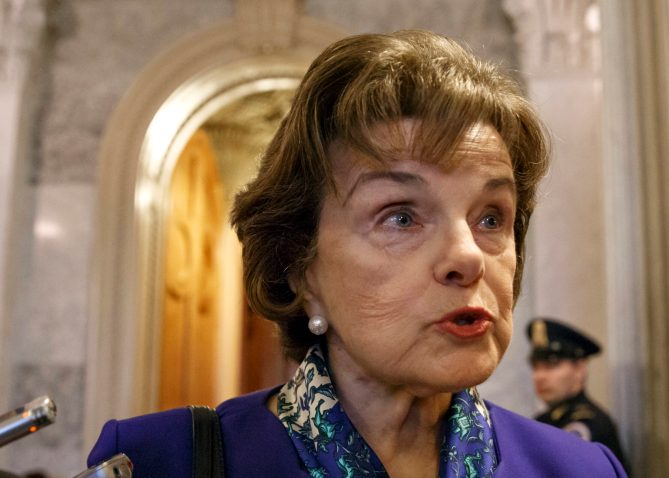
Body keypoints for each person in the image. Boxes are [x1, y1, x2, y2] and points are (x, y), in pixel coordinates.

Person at [86, 30, 627, 477]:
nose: (468, 256)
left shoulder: (582, 468)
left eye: (491, 218)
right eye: (401, 216)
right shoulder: (155, 462)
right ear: (300, 267)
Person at [526, 317, 629, 473]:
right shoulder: (546, 420)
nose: (539, 376)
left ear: (580, 369)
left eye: (551, 365)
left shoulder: (589, 424)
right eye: (536, 367)